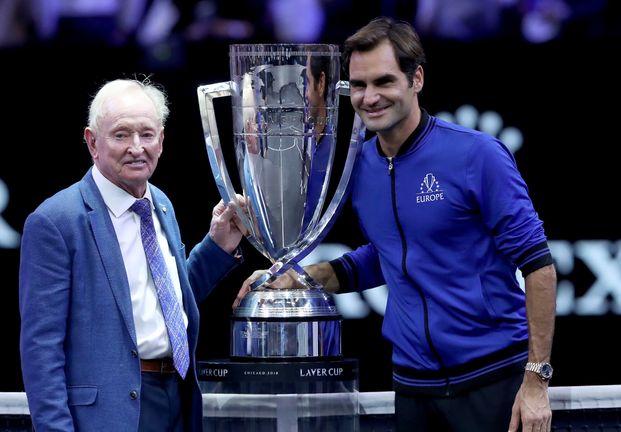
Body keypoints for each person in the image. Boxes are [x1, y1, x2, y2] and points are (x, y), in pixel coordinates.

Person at [236, 16, 556, 432]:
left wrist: (536, 378)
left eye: (384, 82)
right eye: (360, 85)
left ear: (416, 79)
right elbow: (386, 255)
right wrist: (300, 278)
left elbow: (539, 266)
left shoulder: (478, 155)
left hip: (492, 379)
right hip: (412, 388)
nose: (370, 97)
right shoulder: (359, 166)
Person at [19, 77, 244, 432]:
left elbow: (165, 304)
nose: (136, 148)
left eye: (147, 134)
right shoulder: (56, 221)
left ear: (163, 140)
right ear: (92, 142)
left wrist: (217, 247)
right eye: (121, 135)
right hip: (108, 415)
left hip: (178, 397)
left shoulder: (161, 204)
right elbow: (41, 348)